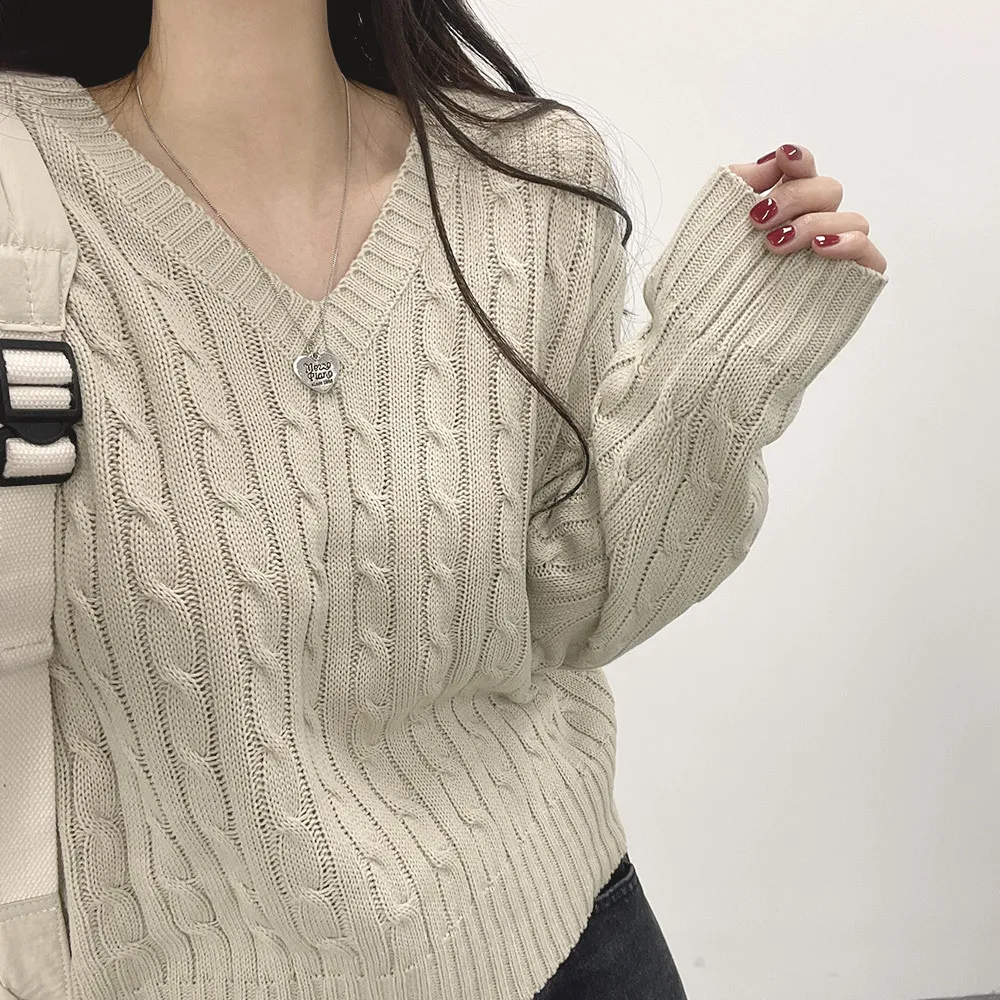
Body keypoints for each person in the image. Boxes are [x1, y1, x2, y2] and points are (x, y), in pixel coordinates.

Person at [0, 1, 887, 998]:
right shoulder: (19, 187)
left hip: (552, 935)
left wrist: (714, 370)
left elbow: (571, 605)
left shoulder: (528, 179)